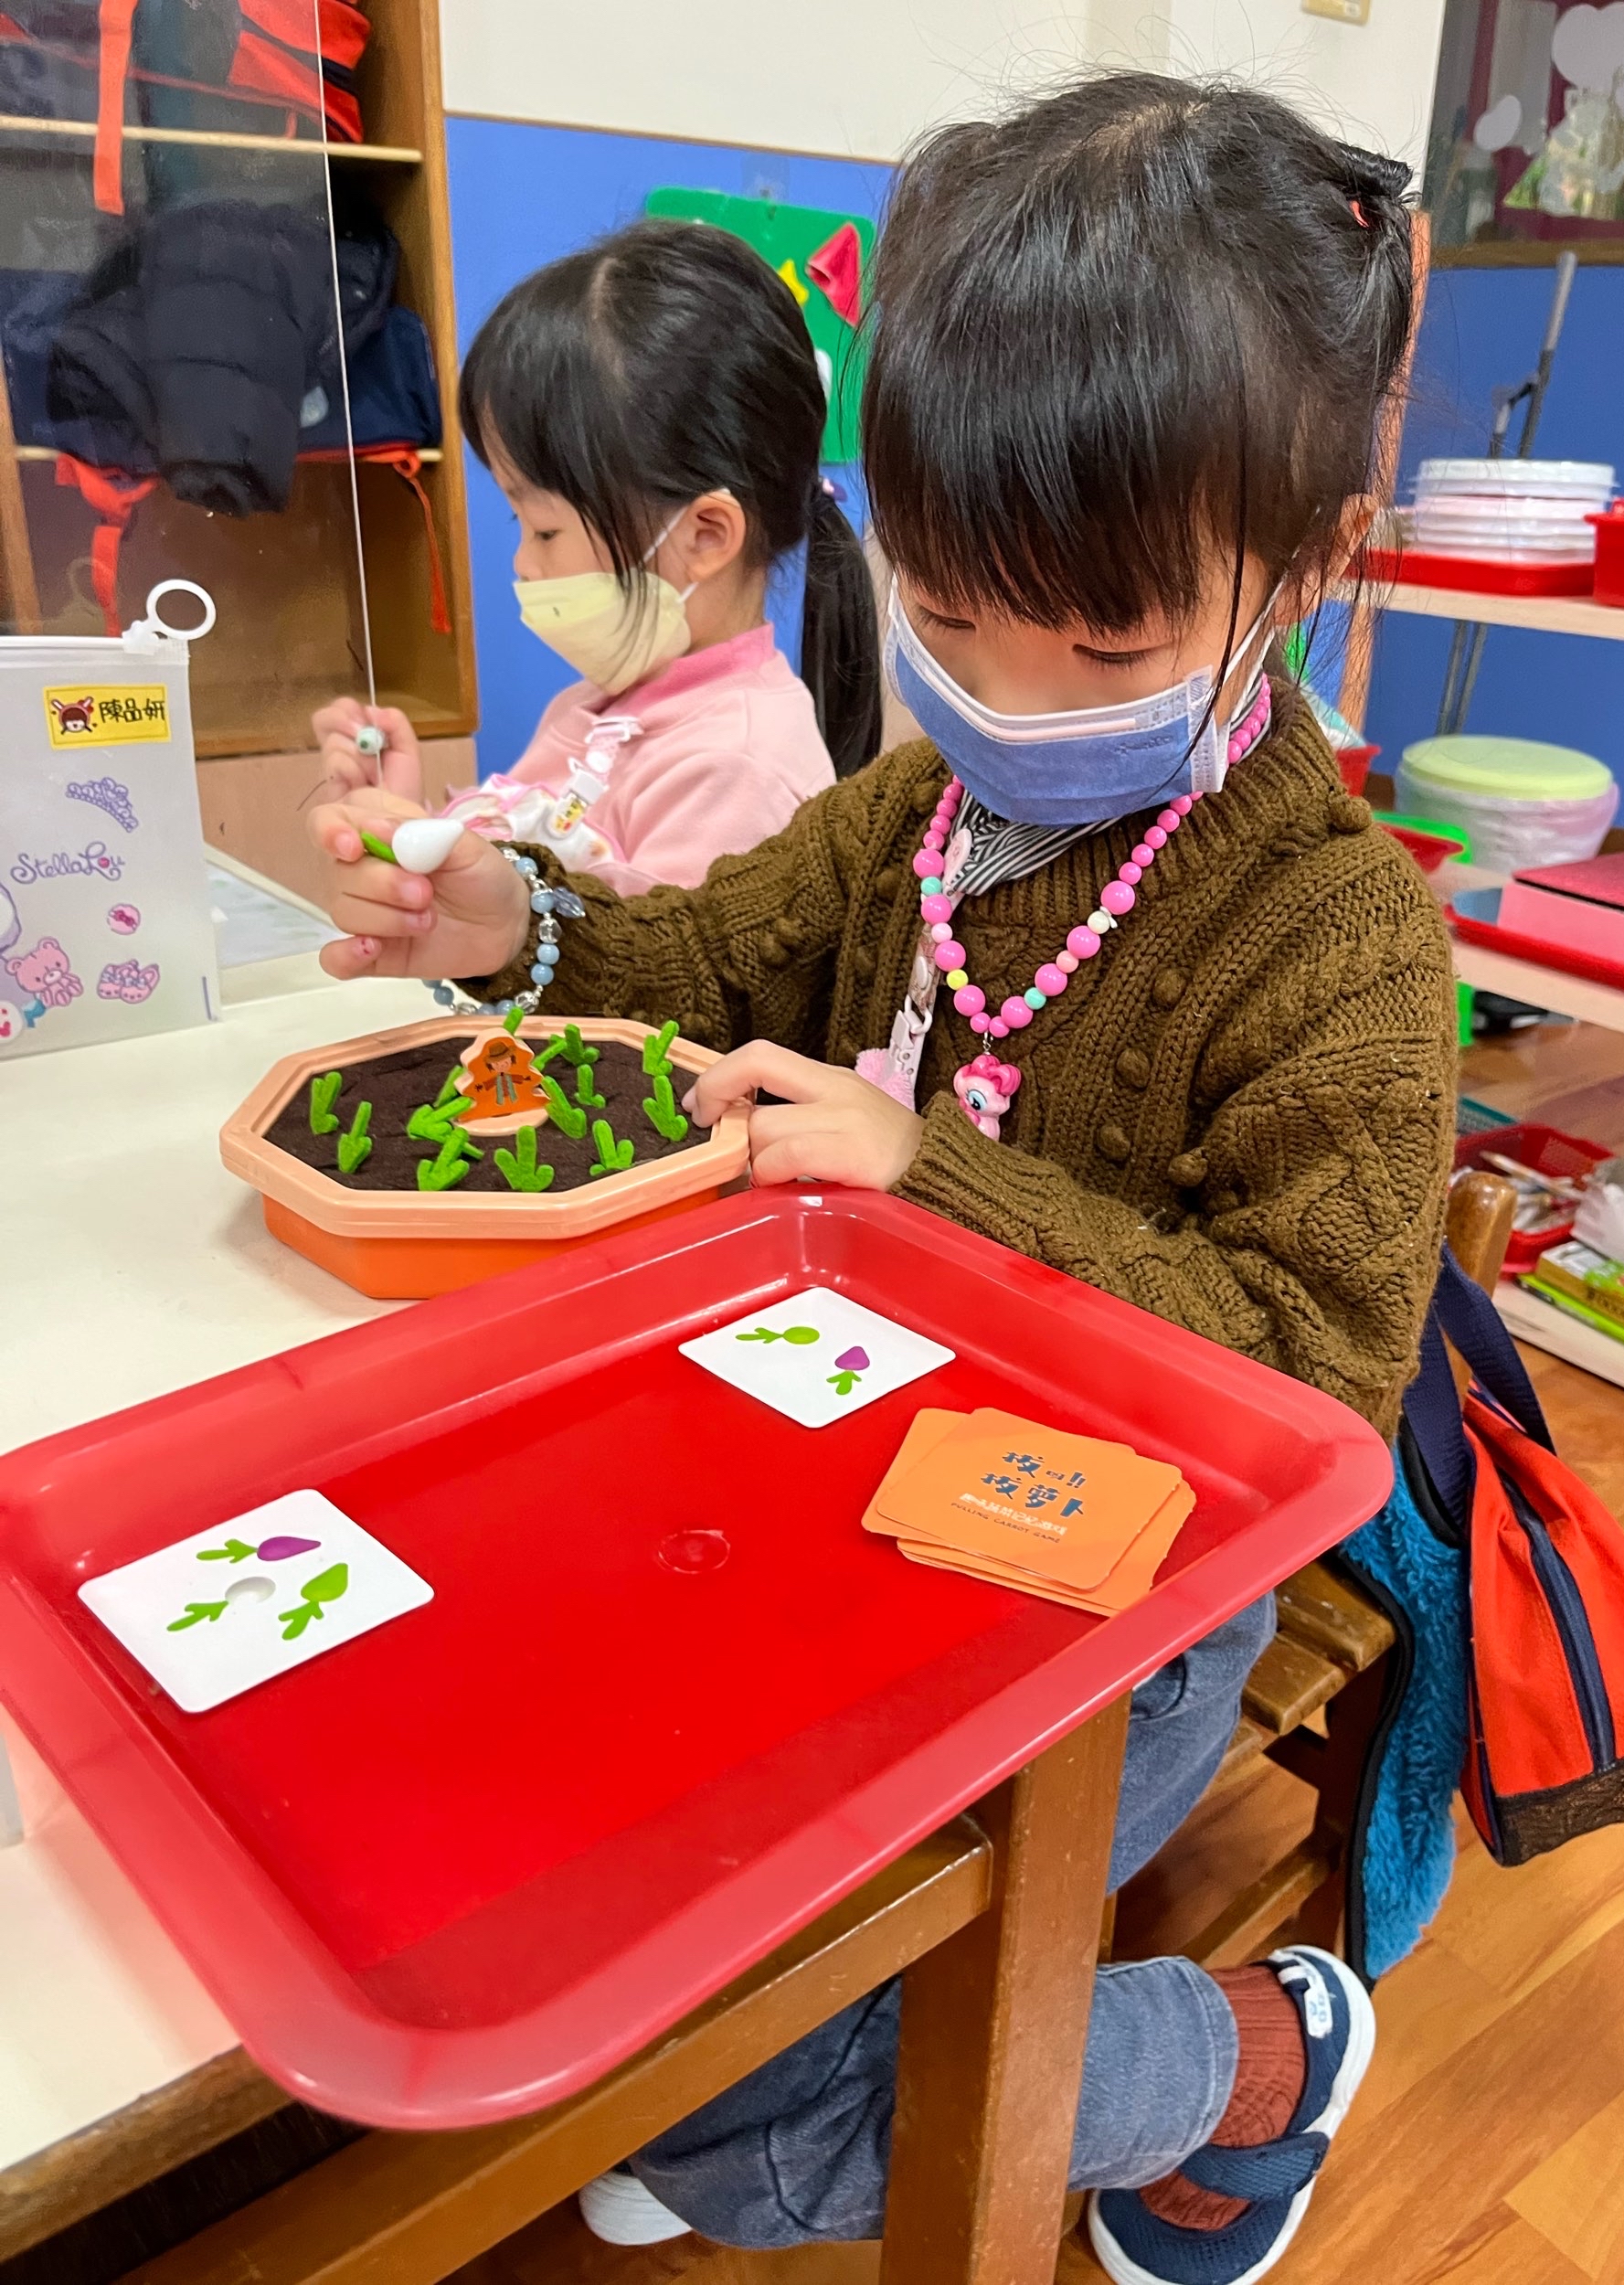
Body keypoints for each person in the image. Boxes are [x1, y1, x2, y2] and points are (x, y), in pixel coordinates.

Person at [308, 73, 1455, 2285]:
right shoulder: (914, 819)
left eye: (1103, 638)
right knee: (593, 1917)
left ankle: (1250, 2055)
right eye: (943, 595)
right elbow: (690, 963)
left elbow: (1311, 1385)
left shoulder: (1337, 936)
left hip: (1133, 1584)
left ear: (1309, 561)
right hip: (844, 1487)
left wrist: (932, 1175)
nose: (1005, 683)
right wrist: (504, 924)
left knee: (728, 2118)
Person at [313, 218, 883, 896]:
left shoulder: (736, 769)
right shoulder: (595, 707)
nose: (523, 564)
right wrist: (407, 822)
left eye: (545, 530)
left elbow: (622, 962)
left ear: (705, 536)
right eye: (520, 522)